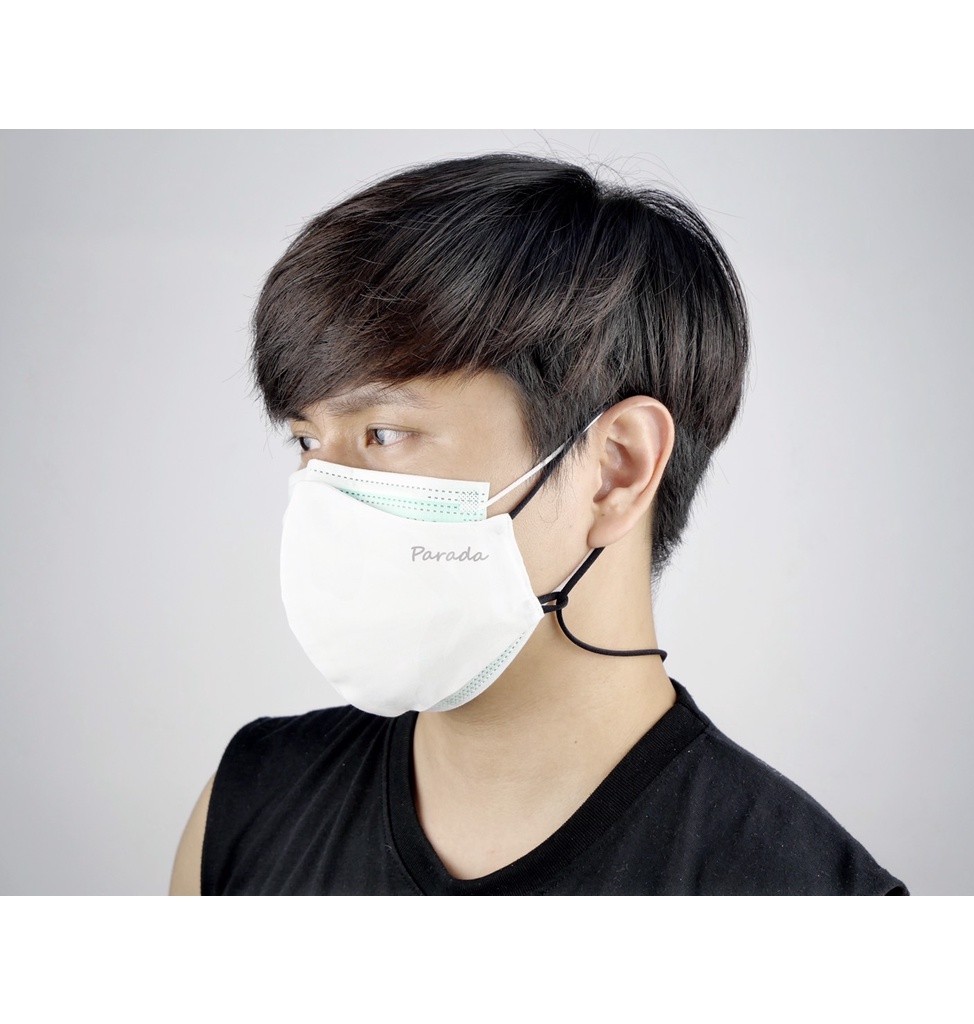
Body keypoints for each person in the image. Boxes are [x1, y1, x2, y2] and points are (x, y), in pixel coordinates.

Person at [170, 153, 908, 895]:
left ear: (615, 469)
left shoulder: (801, 893)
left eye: (384, 434)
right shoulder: (248, 806)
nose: (323, 496)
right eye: (305, 441)